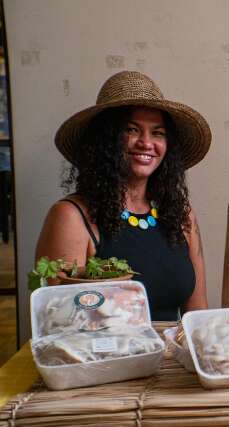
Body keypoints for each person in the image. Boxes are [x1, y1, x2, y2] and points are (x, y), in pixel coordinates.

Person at [36, 71, 211, 320]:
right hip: (107, 357)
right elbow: (60, 323)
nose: (146, 143)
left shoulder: (181, 214)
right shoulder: (70, 216)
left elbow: (198, 315)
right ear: (105, 141)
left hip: (174, 358)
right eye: (131, 129)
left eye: (158, 133)